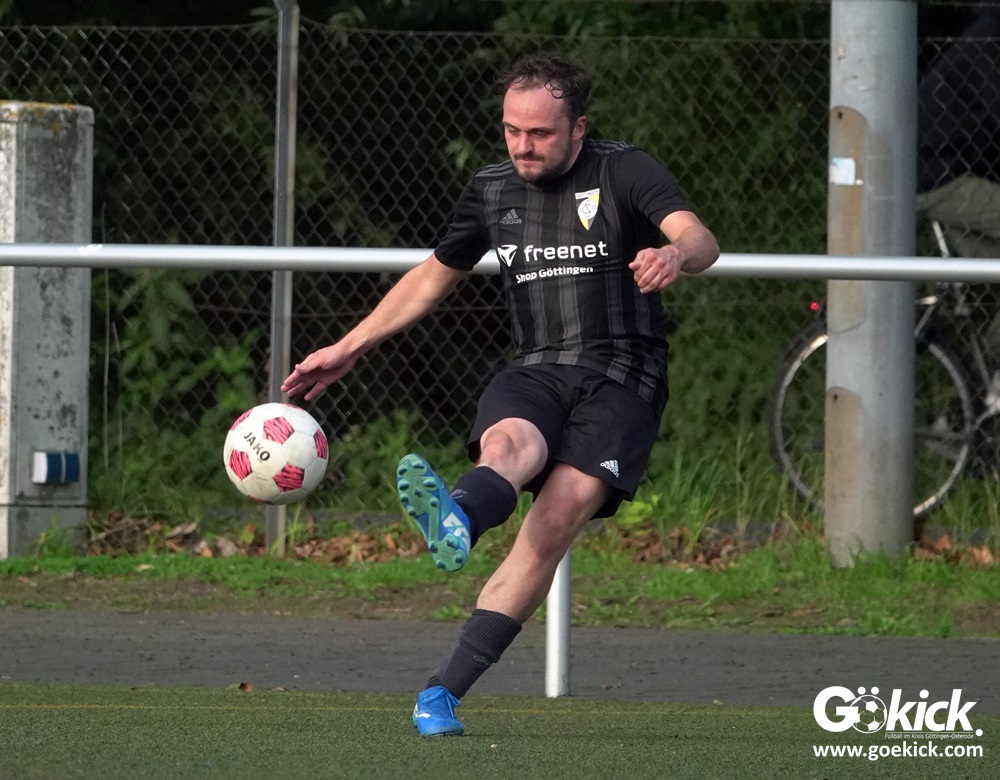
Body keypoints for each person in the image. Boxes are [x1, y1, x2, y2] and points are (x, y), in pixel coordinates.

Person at [281, 52, 719, 736]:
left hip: (622, 377)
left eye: (539, 133)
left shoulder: (623, 170)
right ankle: (455, 517)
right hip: (536, 367)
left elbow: (700, 238)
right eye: (512, 130)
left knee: (553, 521)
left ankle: (440, 694)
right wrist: (350, 345)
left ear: (578, 128)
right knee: (508, 444)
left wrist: (673, 254)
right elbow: (432, 276)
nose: (522, 145)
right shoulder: (491, 190)